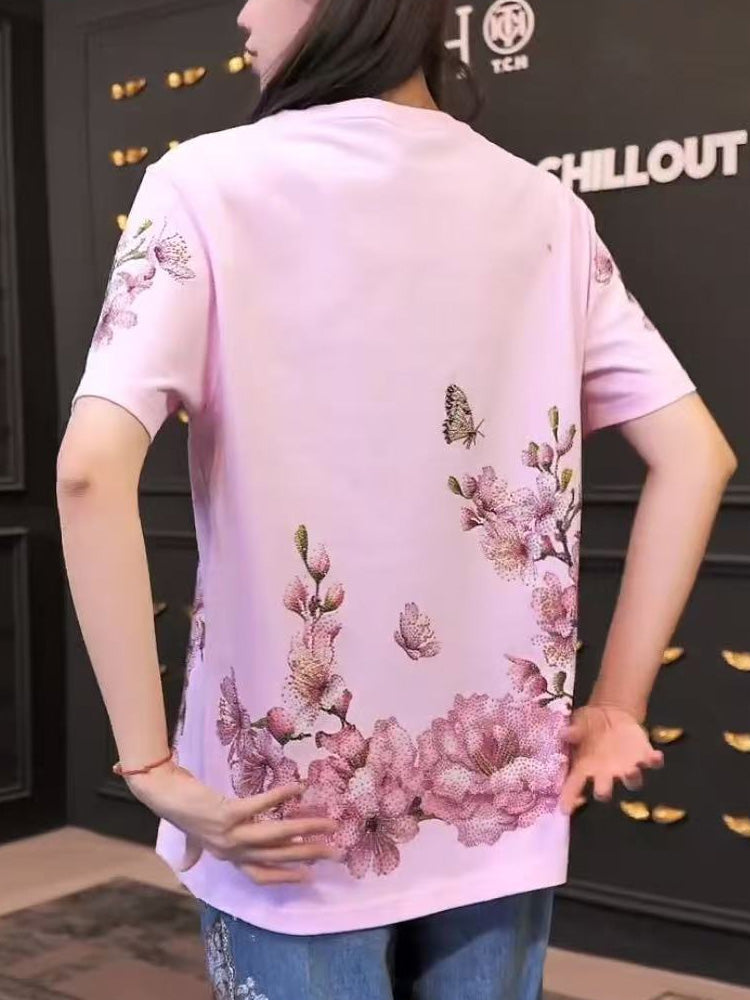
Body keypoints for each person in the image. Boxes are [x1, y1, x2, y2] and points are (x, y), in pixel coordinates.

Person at [56, 0, 736, 997]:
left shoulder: (203, 184)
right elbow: (697, 454)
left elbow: (86, 469)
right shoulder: (545, 208)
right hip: (496, 797)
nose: (240, 12)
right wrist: (619, 704)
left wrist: (150, 767)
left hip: (284, 811)